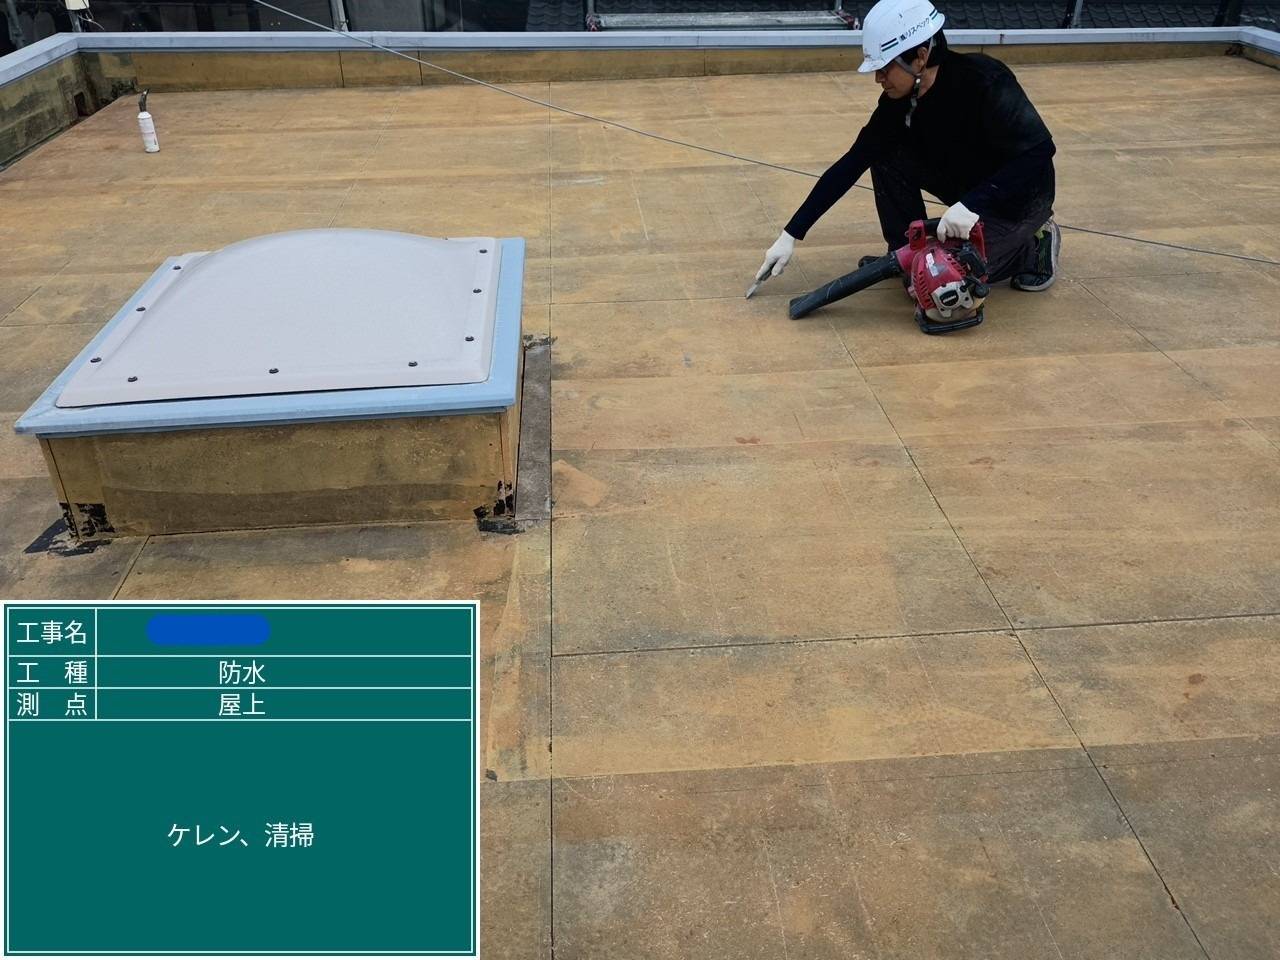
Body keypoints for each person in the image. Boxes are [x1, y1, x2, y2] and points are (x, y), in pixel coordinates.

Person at [756, 0, 1060, 294]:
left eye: (885, 68)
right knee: (885, 155)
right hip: (966, 185)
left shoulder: (985, 81)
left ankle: (1034, 246)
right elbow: (854, 161)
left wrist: (973, 205)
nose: (878, 78)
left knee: (952, 276)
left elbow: (1039, 151)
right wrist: (791, 233)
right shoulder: (900, 102)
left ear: (921, 57)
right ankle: (906, 253)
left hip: (1017, 198)